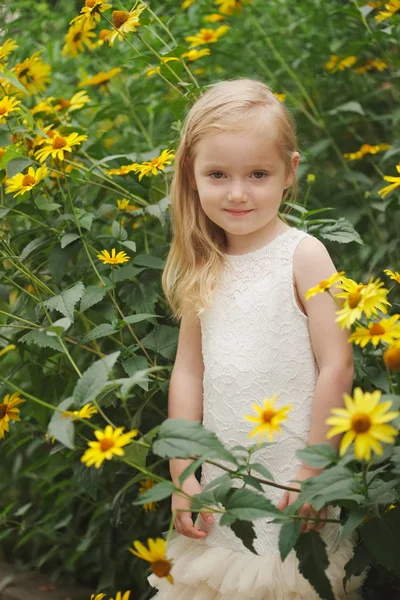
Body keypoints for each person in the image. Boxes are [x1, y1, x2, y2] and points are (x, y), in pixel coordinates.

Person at [148, 78, 366, 599]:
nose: (238, 192)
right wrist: (183, 472)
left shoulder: (304, 254)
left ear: (289, 172)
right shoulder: (204, 264)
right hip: (221, 488)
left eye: (258, 174)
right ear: (191, 176)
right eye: (218, 174)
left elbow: (338, 365)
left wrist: (314, 470)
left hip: (291, 484)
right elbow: (189, 371)